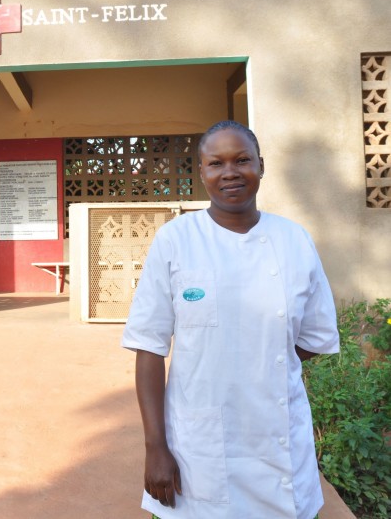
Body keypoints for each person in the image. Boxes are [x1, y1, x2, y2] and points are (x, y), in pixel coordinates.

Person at [121, 121, 340, 519]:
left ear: (261, 165)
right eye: (216, 163)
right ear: (202, 171)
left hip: (277, 438)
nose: (230, 172)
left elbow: (316, 336)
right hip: (200, 443)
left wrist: (260, 362)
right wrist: (155, 446)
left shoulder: (294, 240)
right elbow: (149, 347)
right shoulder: (176, 240)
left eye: (242, 160)